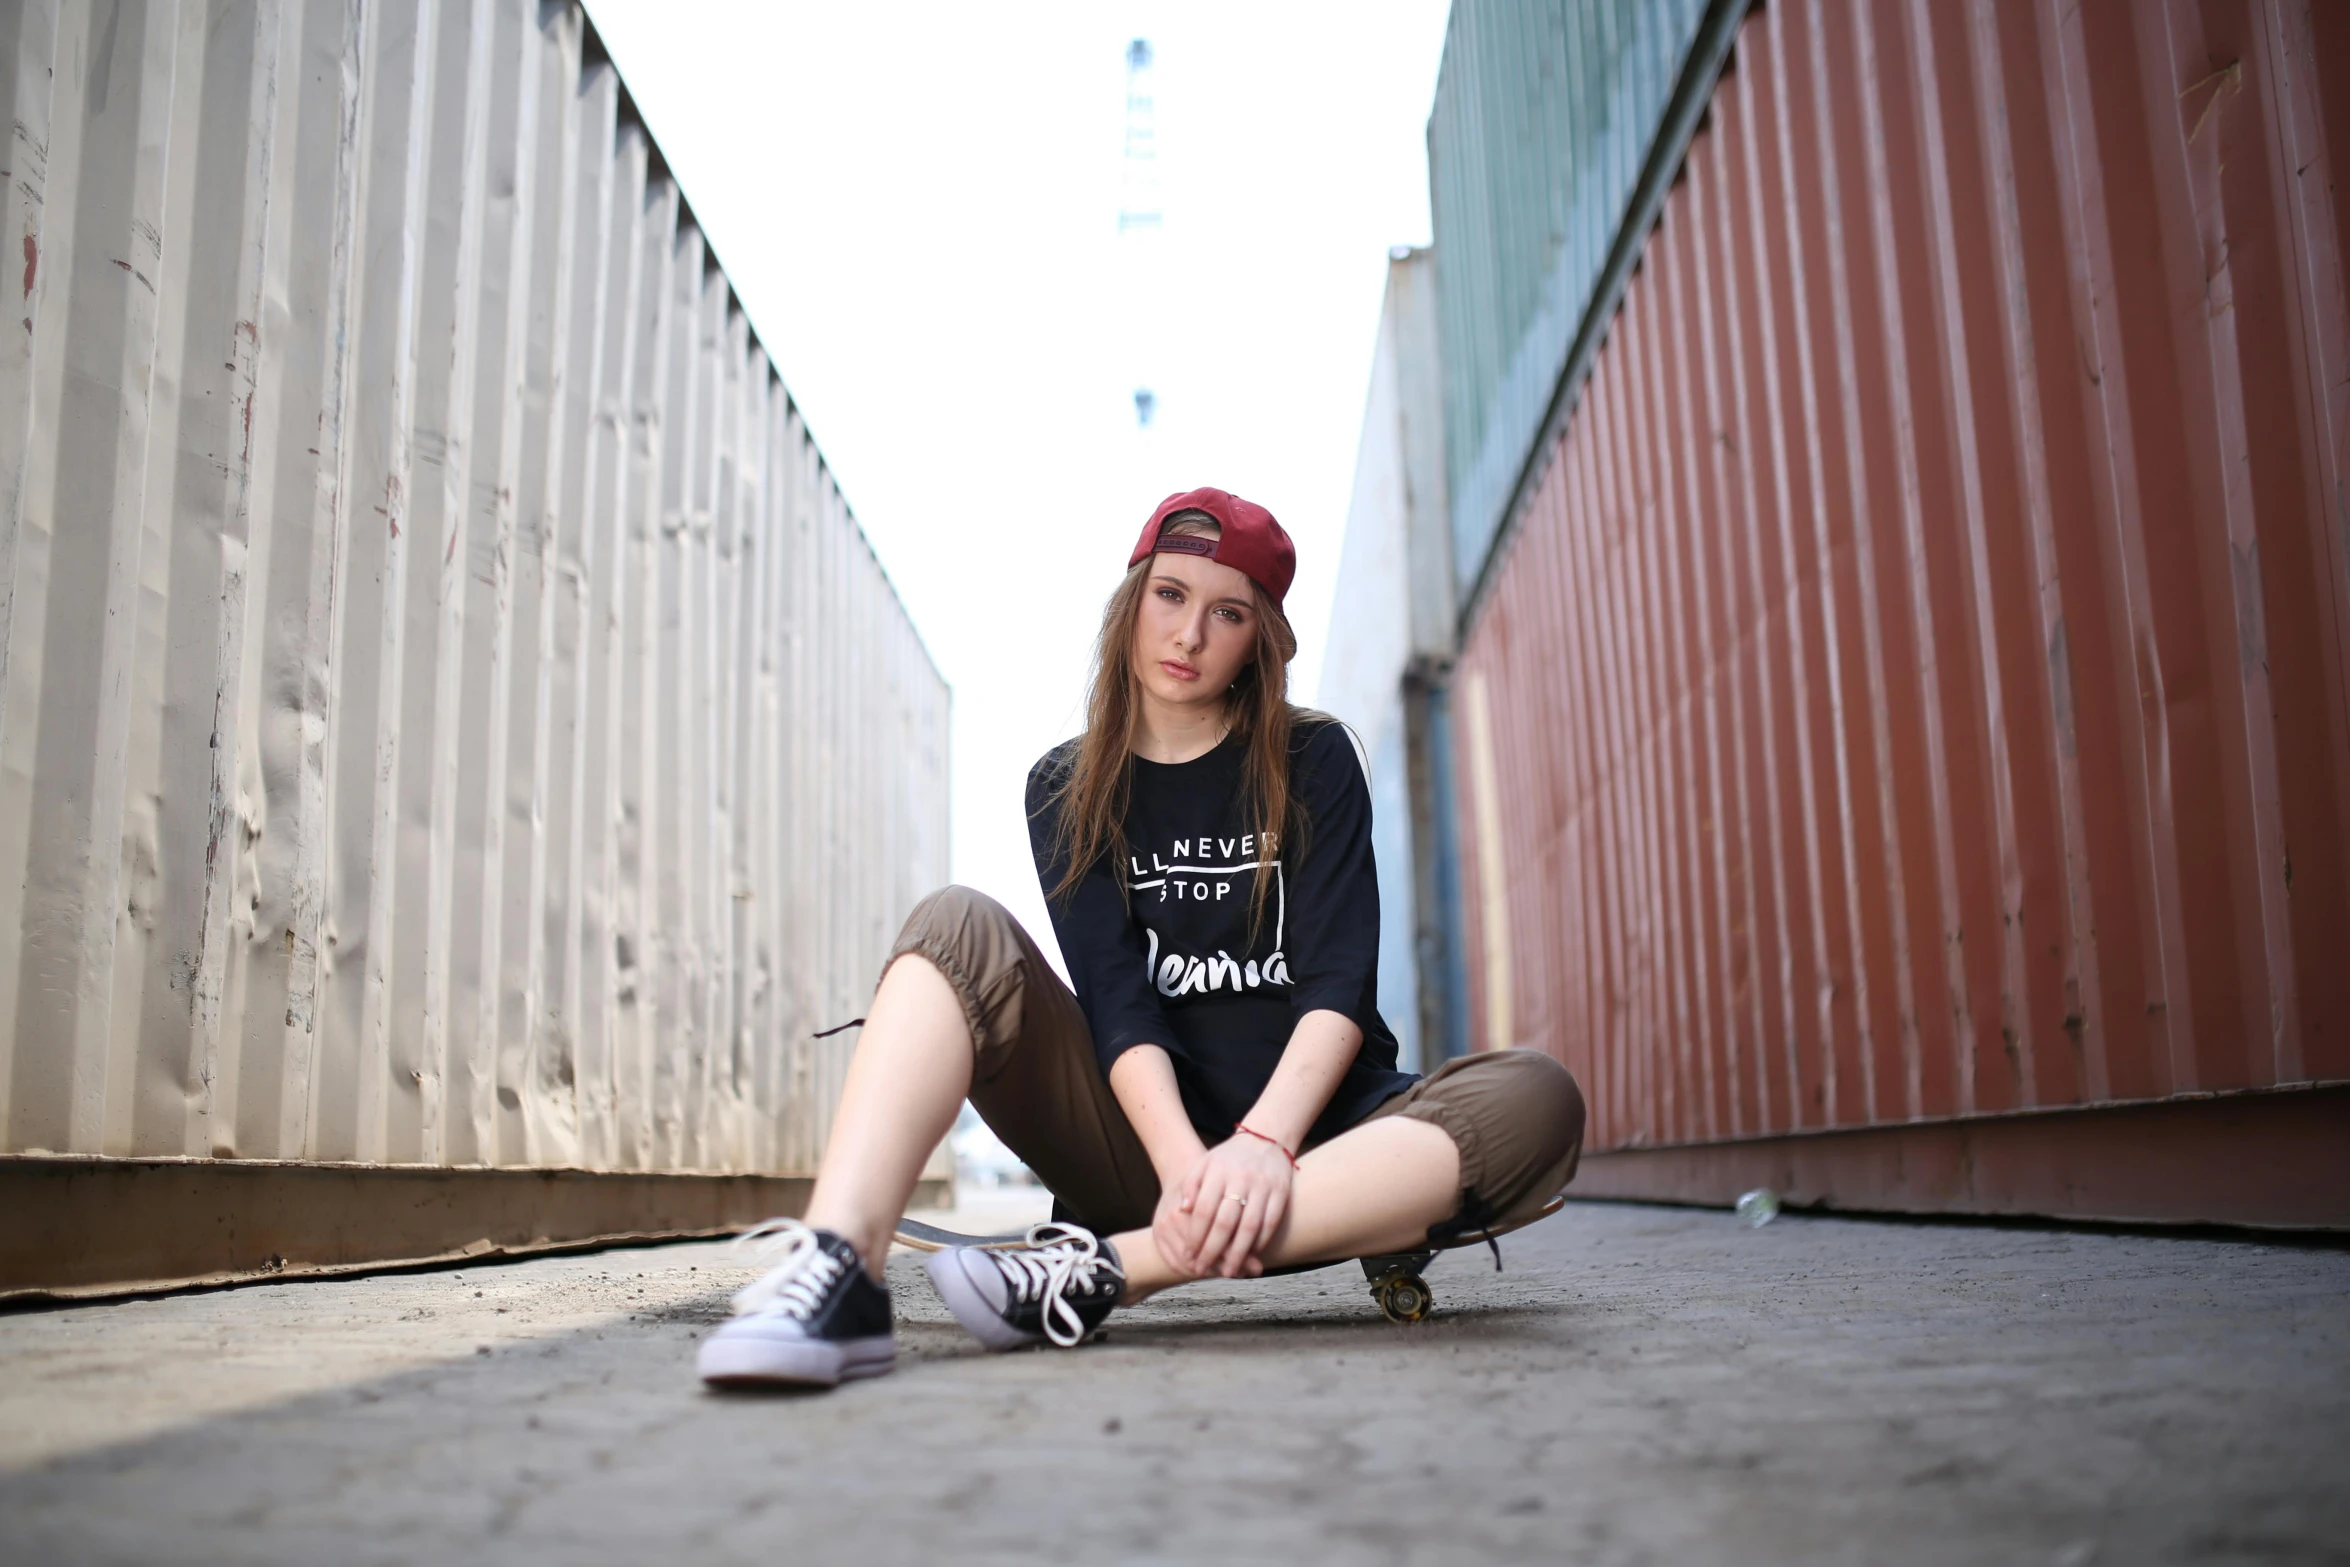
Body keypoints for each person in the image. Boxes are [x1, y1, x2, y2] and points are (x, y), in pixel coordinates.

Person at [696, 487, 1585, 1388]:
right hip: (1146, 1155)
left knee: (1536, 1095)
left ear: (1260, 640)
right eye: (1170, 595)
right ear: (1132, 602)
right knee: (952, 923)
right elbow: (1118, 1004)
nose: (1189, 635)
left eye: (1226, 612)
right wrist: (1189, 1172)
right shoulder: (1065, 784)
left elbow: (1337, 988)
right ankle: (838, 1270)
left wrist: (1264, 1146)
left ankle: (1108, 1272)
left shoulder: (1313, 760)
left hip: (1320, 1158)